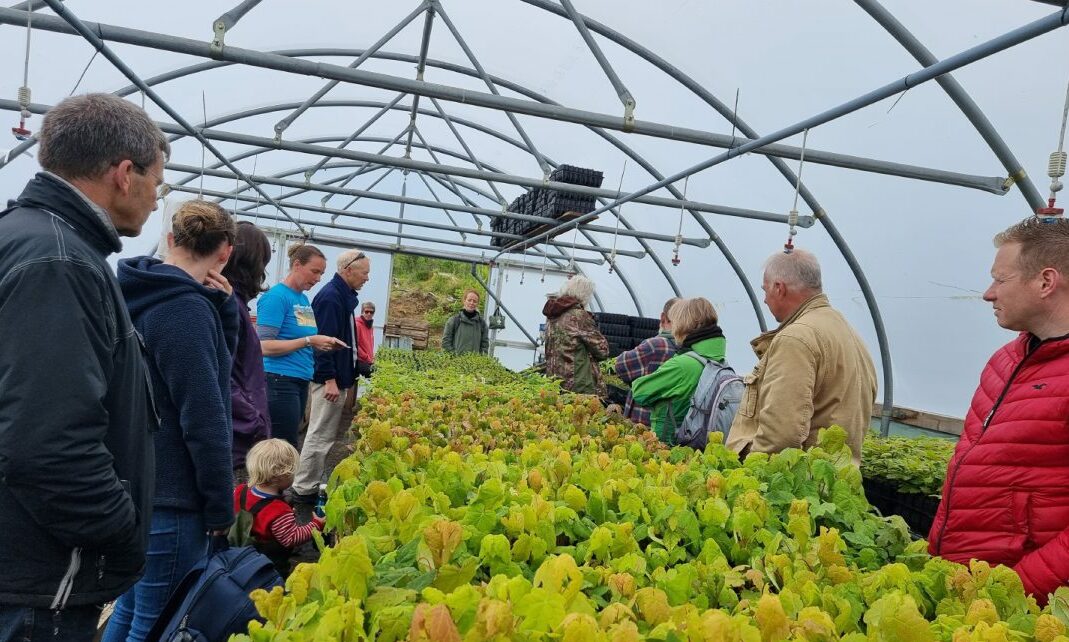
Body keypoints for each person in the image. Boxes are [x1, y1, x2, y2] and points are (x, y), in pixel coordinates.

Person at [0, 93, 166, 641]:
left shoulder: (32, 239)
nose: (156, 200)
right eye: (156, 182)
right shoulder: (60, 262)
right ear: (124, 174)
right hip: (38, 580)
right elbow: (48, 445)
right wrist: (120, 531)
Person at [106, 201, 239, 642]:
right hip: (173, 495)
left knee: (130, 608)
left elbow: (211, 374)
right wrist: (220, 504)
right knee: (158, 620)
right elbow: (204, 417)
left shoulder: (136, 290)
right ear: (225, 253)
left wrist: (224, 313)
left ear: (170, 239)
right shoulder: (184, 311)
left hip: (134, 484)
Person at [929, 216, 1069, 605]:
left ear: (1045, 282)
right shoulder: (1004, 361)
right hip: (968, 590)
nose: (988, 294)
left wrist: (1011, 590)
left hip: (1023, 605)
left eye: (999, 279)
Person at [726, 249, 876, 464]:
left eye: (765, 289)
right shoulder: (846, 332)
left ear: (779, 288)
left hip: (799, 485)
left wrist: (751, 474)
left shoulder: (796, 338)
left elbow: (781, 433)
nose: (765, 300)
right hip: (831, 479)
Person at [292, 250, 370, 504]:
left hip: (337, 377)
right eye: (364, 272)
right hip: (328, 380)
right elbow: (321, 343)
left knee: (323, 433)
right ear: (348, 270)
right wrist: (329, 379)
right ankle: (304, 488)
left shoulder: (342, 296)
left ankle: (309, 482)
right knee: (319, 433)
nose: (367, 278)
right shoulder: (331, 299)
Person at [257, 244, 346, 448]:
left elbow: (302, 339)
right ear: (297, 265)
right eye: (314, 271)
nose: (318, 278)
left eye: (321, 273)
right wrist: (309, 341)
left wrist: (323, 344)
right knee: (281, 448)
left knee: (287, 445)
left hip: (299, 379)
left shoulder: (303, 300)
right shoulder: (276, 297)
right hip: (278, 380)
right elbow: (263, 346)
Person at [632, 298, 727, 445]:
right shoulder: (720, 362)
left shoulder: (682, 365)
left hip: (669, 445)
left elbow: (640, 392)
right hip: (701, 446)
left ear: (683, 324)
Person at [222, 221, 274, 478]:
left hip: (240, 433)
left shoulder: (235, 301)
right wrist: (254, 420)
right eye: (262, 264)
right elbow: (224, 375)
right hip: (237, 436)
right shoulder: (228, 304)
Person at [234, 439, 325, 575]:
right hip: (267, 564)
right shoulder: (279, 510)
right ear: (284, 475)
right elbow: (292, 538)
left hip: (238, 554)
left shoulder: (240, 491)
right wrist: (316, 525)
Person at [615, 297, 680, 426]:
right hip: (670, 423)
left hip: (643, 421)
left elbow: (621, 366)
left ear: (663, 318)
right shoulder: (688, 351)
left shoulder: (656, 345)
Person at [542, 276, 609, 396]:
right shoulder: (578, 316)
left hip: (554, 381)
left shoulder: (552, 315)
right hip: (577, 384)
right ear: (583, 294)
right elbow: (603, 351)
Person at [443, 289, 490, 355]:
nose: (471, 303)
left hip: (474, 363)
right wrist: (453, 357)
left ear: (477, 304)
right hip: (455, 362)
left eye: (474, 301)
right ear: (464, 301)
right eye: (469, 300)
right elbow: (446, 342)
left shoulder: (482, 324)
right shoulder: (454, 320)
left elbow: (484, 345)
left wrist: (481, 359)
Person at [355, 301, 377, 380]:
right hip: (358, 359)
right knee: (376, 375)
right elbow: (355, 344)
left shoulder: (370, 326)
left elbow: (370, 344)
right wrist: (366, 357)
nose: (369, 314)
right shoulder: (357, 325)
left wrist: (372, 357)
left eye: (371, 312)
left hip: (366, 359)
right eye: (366, 311)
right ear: (362, 312)